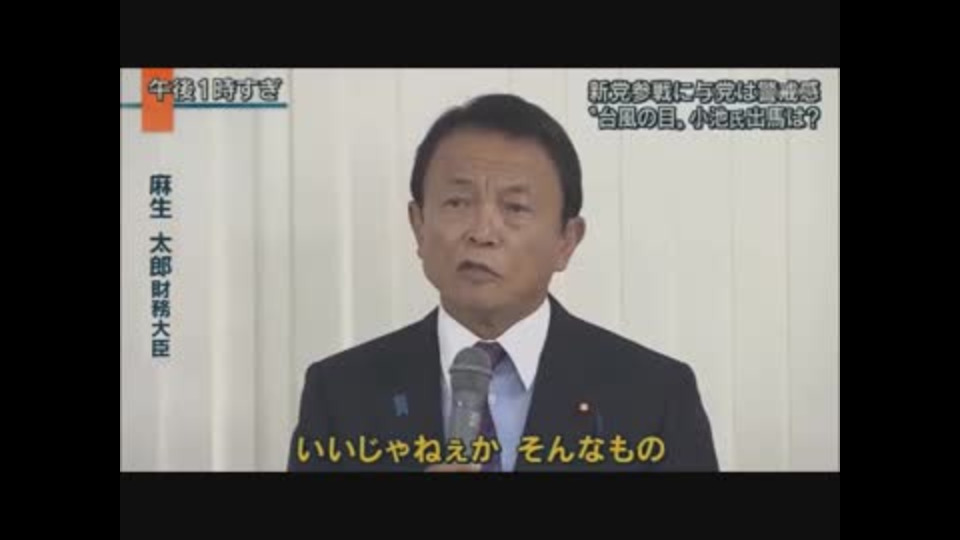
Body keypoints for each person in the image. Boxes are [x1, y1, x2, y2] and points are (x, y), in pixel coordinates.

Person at [288, 93, 718, 472]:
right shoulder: (340, 393)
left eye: (515, 207)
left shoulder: (654, 396)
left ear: (567, 241)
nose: (482, 232)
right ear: (418, 226)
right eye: (457, 202)